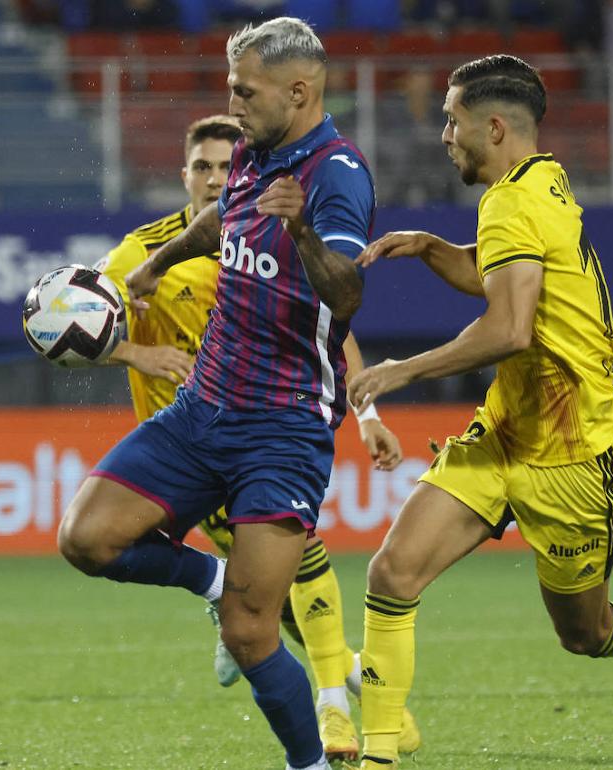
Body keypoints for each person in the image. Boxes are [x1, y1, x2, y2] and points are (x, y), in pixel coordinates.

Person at [347, 54, 613, 768]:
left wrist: (404, 370)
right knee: (391, 573)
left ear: (493, 127)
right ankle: (377, 753)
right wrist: (432, 248)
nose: (444, 136)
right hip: (506, 434)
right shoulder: (539, 180)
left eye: (452, 121)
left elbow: (510, 329)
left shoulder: (513, 201)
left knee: (585, 633)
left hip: (575, 453)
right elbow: (510, 277)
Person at [59, 17, 377, 769]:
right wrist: (158, 262)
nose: (231, 101)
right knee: (86, 539)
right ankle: (204, 575)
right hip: (203, 407)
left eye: (244, 88)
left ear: (298, 91)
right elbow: (221, 219)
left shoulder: (338, 175)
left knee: (250, 629)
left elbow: (350, 294)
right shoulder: (250, 154)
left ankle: (315, 763)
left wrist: (300, 233)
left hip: (283, 428)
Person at [95, 113, 419, 757]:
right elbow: (81, 326)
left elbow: (331, 327)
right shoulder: (141, 251)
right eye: (203, 167)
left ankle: (333, 708)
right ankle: (340, 678)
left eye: (225, 166)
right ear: (183, 174)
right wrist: (135, 354)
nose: (217, 178)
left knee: (292, 581)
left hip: (263, 429)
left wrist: (370, 414)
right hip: (188, 437)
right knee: (262, 610)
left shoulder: (264, 233)